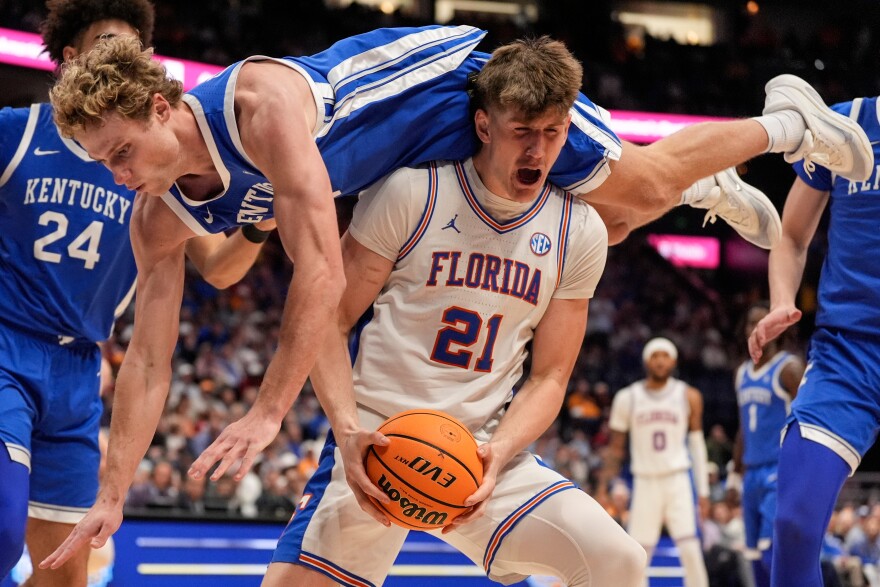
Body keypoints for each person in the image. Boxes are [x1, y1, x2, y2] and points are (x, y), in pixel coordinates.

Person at [41, 24, 873, 569]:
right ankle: (691, 189)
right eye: (101, 164)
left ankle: (784, 125)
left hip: (451, 98)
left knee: (638, 183)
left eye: (120, 151)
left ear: (161, 105)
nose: (116, 176)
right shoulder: (159, 212)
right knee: (598, 216)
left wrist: (271, 412)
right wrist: (112, 491)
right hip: (396, 166)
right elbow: (151, 353)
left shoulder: (257, 106)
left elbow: (324, 278)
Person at [258, 35, 645, 587]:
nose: (537, 151)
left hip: (482, 454)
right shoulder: (412, 194)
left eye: (553, 133)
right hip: (378, 446)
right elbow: (327, 318)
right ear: (485, 126)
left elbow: (552, 375)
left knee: (617, 561)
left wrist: (499, 452)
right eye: (522, 132)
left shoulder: (577, 230)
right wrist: (347, 430)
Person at [0, 1, 274, 584]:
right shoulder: (15, 133)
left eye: (134, 50)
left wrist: (260, 219)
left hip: (79, 368)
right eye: (107, 46)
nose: (124, 60)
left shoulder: (156, 169)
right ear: (71, 60)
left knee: (64, 576)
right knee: (1, 531)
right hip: (6, 347)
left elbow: (223, 268)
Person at [747, 89, 880, 587]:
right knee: (795, 525)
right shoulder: (850, 122)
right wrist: (782, 298)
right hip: (849, 353)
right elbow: (793, 235)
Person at [600, 337, 711, 587]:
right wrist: (603, 487)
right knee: (638, 554)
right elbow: (615, 448)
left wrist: (702, 492)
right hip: (645, 480)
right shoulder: (627, 397)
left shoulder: (688, 395)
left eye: (665, 355)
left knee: (691, 550)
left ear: (673, 360)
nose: (660, 361)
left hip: (678, 479)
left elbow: (697, 446)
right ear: (646, 361)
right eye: (655, 355)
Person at [734, 302, 805, 587]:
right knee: (753, 558)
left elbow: (808, 421)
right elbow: (742, 428)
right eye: (751, 322)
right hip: (751, 473)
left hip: (779, 470)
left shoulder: (790, 367)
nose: (757, 328)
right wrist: (733, 476)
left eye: (763, 321)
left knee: (771, 554)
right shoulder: (741, 373)